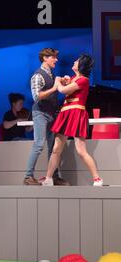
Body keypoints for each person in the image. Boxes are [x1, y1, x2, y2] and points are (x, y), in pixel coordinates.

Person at [41, 54, 103, 186]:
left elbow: (63, 90)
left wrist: (58, 81)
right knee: (56, 149)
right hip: (65, 113)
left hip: (76, 113)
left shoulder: (83, 80)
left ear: (81, 65)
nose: (74, 62)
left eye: (77, 61)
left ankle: (97, 178)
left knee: (81, 151)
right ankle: (48, 178)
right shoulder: (75, 78)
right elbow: (68, 84)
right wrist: (65, 80)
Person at [23, 48, 70, 186]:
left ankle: (53, 176)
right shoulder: (38, 75)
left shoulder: (51, 74)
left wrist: (62, 83)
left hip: (51, 114)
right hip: (40, 113)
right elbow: (37, 96)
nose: (56, 60)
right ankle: (28, 176)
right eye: (53, 57)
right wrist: (55, 87)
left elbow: (54, 87)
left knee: (52, 146)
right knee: (39, 144)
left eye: (56, 57)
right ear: (45, 58)